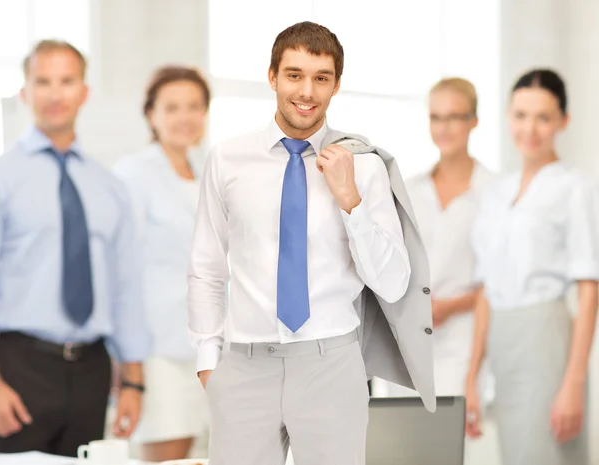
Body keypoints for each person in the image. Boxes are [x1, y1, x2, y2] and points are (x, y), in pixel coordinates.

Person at [187, 21, 434, 465]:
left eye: (321, 78)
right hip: (244, 366)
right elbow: (206, 266)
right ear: (272, 77)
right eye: (294, 75)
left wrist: (350, 200)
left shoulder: (365, 168)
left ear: (336, 85)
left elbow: (394, 284)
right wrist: (210, 364)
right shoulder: (227, 159)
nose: (307, 91)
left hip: (332, 365)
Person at [0, 40, 150, 457]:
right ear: (24, 92)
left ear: (84, 92)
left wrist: (134, 382)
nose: (54, 93)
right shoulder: (4, 177)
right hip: (16, 368)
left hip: (92, 372)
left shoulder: (109, 187)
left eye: (66, 81)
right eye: (42, 81)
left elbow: (125, 288)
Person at [465, 69, 599, 465]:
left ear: (563, 121)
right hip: (503, 344)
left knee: (549, 455)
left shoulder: (574, 188)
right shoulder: (495, 194)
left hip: (547, 342)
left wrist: (573, 383)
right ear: (508, 117)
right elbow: (486, 289)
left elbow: (589, 288)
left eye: (544, 117)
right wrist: (473, 376)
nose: (530, 128)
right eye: (521, 115)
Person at [113, 65, 211, 462]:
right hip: (159, 351)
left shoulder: (209, 171)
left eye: (194, 106)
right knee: (168, 456)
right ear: (151, 115)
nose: (184, 117)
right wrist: (128, 368)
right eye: (171, 107)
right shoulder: (133, 173)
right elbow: (122, 270)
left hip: (210, 350)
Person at [401, 78, 494, 396]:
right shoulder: (409, 191)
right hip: (409, 340)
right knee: (406, 441)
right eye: (436, 117)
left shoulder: (494, 193)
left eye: (454, 117)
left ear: (474, 122)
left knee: (452, 439)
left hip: (462, 341)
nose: (444, 127)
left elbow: (496, 279)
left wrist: (451, 306)